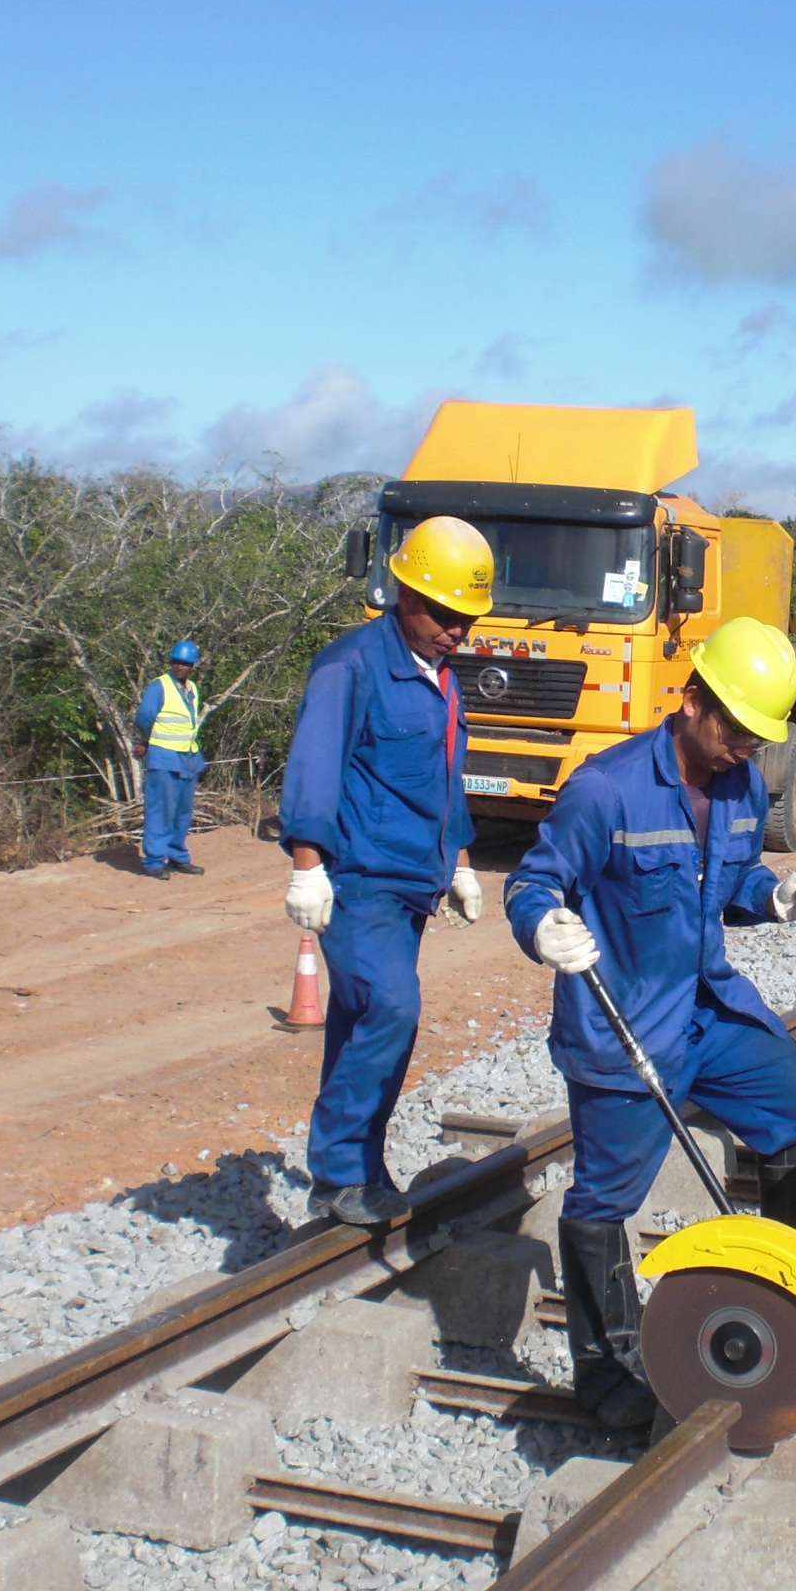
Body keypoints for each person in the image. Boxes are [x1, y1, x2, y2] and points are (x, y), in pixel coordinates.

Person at [505, 616, 796, 1429]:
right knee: (603, 1200)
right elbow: (533, 883)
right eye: (735, 728)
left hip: (706, 1012)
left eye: (758, 737)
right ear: (692, 700)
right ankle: (608, 1367)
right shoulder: (605, 789)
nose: (743, 748)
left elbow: (736, 878)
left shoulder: (742, 787)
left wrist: (775, 895)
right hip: (624, 1026)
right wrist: (543, 927)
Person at [279, 516, 493, 1229]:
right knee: (392, 1009)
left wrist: (459, 861)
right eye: (443, 613)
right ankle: (338, 1172)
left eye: (465, 618)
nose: (455, 629)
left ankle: (360, 1168)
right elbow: (314, 765)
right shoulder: (353, 666)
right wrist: (308, 866)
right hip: (359, 881)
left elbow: (444, 778)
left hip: (413, 886)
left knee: (361, 1022)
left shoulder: (442, 678)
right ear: (403, 592)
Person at [134, 640, 207, 879]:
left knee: (182, 812)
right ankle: (154, 861)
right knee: (160, 810)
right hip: (164, 757)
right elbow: (145, 717)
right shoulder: (160, 686)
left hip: (187, 757)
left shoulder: (193, 689)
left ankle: (178, 856)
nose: (180, 667)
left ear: (192, 666)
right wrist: (144, 742)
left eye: (185, 664)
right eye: (176, 662)